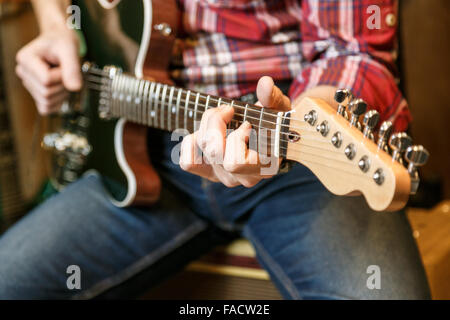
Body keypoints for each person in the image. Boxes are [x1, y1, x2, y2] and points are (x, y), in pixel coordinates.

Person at [0, 0, 430, 299]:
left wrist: (308, 116)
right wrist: (57, 24)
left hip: (289, 141)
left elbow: (352, 50)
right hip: (136, 152)